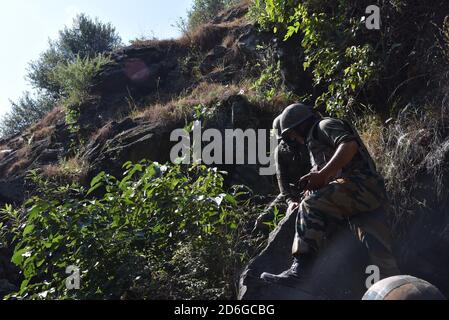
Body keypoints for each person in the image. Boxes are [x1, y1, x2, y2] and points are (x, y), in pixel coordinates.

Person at [260, 103, 400, 286]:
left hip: (361, 186)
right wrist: (317, 180)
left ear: (300, 126)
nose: (293, 139)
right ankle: (394, 289)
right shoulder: (315, 138)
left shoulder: (323, 126)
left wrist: (322, 175)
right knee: (378, 253)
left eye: (291, 134)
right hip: (365, 195)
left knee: (310, 204)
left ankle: (300, 270)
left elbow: (348, 146)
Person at [253, 115, 310, 233]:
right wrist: (290, 201)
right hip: (293, 191)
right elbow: (282, 180)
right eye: (285, 137)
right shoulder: (280, 151)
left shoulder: (308, 140)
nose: (290, 139)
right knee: (262, 220)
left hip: (314, 186)